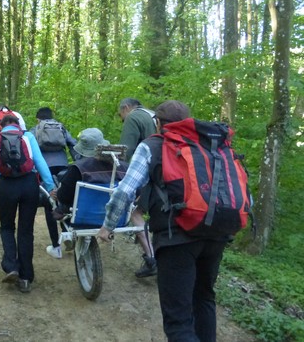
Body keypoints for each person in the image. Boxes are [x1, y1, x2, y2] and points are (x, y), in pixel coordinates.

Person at [98, 100, 230, 342]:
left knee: (178, 321)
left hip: (176, 239)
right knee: (204, 299)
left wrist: (108, 224)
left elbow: (125, 190)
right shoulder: (209, 144)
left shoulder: (153, 146)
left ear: (157, 123)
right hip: (216, 233)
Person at [0, 114, 55, 293]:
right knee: (25, 231)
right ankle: (25, 277)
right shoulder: (28, 136)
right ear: (17, 124)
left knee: (7, 227)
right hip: (29, 185)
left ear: (1, 126)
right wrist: (51, 187)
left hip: (6, 186)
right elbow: (40, 163)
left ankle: (11, 266)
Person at [29, 107, 77, 259]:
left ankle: (56, 247)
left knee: (50, 203)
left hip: (44, 169)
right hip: (62, 166)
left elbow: (28, 149)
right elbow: (72, 144)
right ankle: (68, 234)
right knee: (63, 200)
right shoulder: (61, 127)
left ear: (38, 118)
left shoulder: (35, 129)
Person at [118, 97, 158, 277]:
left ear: (126, 108)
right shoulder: (153, 115)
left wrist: (121, 174)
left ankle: (151, 259)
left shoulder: (133, 118)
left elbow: (126, 150)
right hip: (167, 174)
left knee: (135, 212)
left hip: (147, 174)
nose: (122, 119)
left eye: (121, 115)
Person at [52, 128, 127, 220]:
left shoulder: (78, 168)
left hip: (83, 216)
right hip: (116, 216)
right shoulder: (123, 167)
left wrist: (58, 194)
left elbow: (64, 197)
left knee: (62, 207)